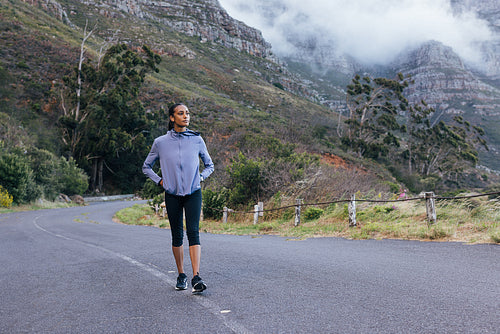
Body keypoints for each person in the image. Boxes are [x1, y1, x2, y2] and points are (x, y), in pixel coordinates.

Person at [142, 103, 214, 293]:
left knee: (193, 232)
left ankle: (196, 277)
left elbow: (210, 165)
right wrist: (160, 181)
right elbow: (146, 166)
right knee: (177, 235)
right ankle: (181, 274)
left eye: (188, 113)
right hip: (172, 194)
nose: (185, 116)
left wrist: (200, 177)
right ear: (172, 118)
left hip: (193, 192)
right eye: (181, 113)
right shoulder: (160, 142)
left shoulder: (197, 139)